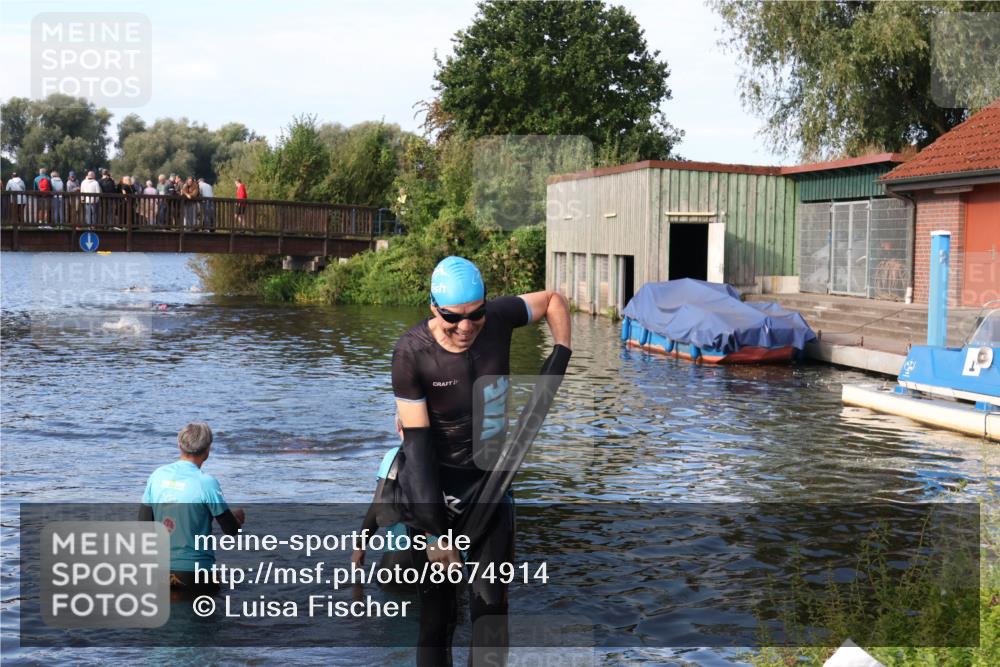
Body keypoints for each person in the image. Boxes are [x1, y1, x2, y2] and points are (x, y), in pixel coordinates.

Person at [391, 256, 572, 666]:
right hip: (435, 493)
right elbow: (417, 449)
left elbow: (553, 301)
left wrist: (561, 351)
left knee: (491, 614)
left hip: (490, 489)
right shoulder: (411, 353)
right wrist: (435, 534)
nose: (466, 327)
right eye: (453, 318)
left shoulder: (499, 319)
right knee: (438, 619)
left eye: (476, 314)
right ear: (433, 307)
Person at [139, 422, 245, 596]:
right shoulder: (207, 483)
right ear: (207, 450)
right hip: (195, 574)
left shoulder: (157, 476)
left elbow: (144, 526)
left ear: (179, 445)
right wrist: (236, 519)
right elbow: (231, 530)